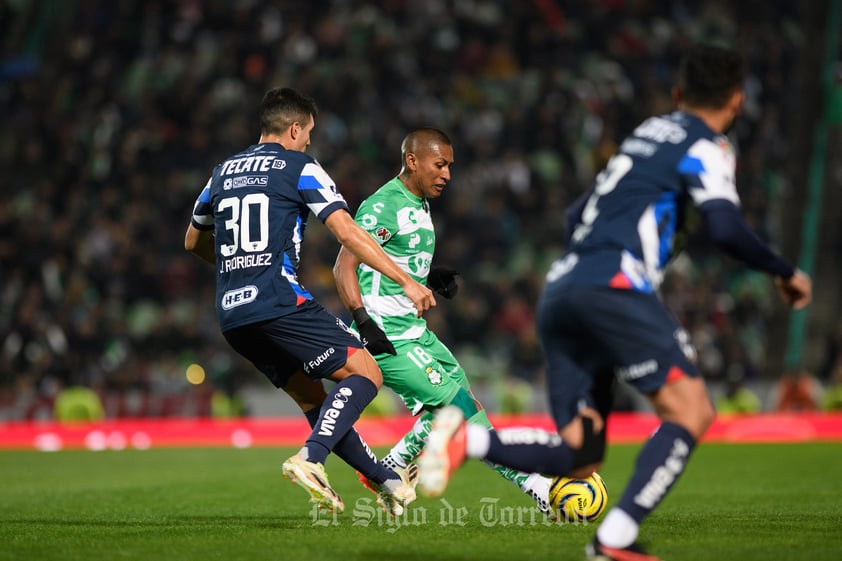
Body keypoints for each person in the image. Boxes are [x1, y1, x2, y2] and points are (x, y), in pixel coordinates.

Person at [417, 44, 812, 561]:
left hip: (561, 289)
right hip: (615, 287)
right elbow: (725, 226)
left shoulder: (644, 136)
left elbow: (575, 215)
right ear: (736, 102)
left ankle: (467, 442)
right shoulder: (708, 145)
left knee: (580, 454)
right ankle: (613, 540)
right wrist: (785, 272)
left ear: (677, 95)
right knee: (691, 411)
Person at [184, 87, 436, 516]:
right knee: (366, 371)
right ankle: (311, 460)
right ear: (295, 128)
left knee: (314, 401)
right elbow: (348, 233)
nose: (309, 142)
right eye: (308, 134)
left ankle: (386, 479)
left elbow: (193, 241)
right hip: (278, 300)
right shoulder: (301, 167)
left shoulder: (222, 172)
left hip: (232, 313)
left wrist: (236, 263)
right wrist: (406, 280)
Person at [333, 128, 555, 515]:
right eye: (440, 164)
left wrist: (426, 276)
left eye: (450, 166)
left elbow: (389, 257)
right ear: (413, 161)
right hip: (387, 336)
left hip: (414, 331)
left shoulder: (419, 204)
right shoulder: (384, 205)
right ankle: (537, 485)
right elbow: (343, 265)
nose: (447, 174)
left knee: (462, 402)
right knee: (461, 414)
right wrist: (361, 320)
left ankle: (392, 466)